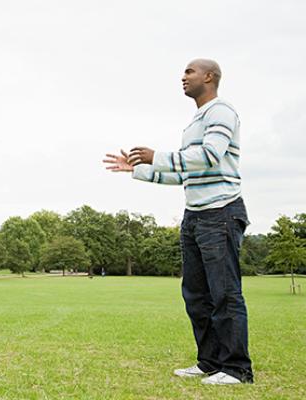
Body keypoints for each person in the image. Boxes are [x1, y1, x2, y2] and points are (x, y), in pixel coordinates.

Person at [103, 59, 253, 385]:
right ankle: (210, 362)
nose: (183, 77)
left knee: (224, 294)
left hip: (221, 213)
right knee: (196, 296)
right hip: (195, 217)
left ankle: (237, 369)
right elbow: (188, 172)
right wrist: (137, 170)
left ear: (209, 76)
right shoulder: (194, 122)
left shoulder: (221, 111)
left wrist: (157, 156)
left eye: (189, 71)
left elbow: (210, 156)